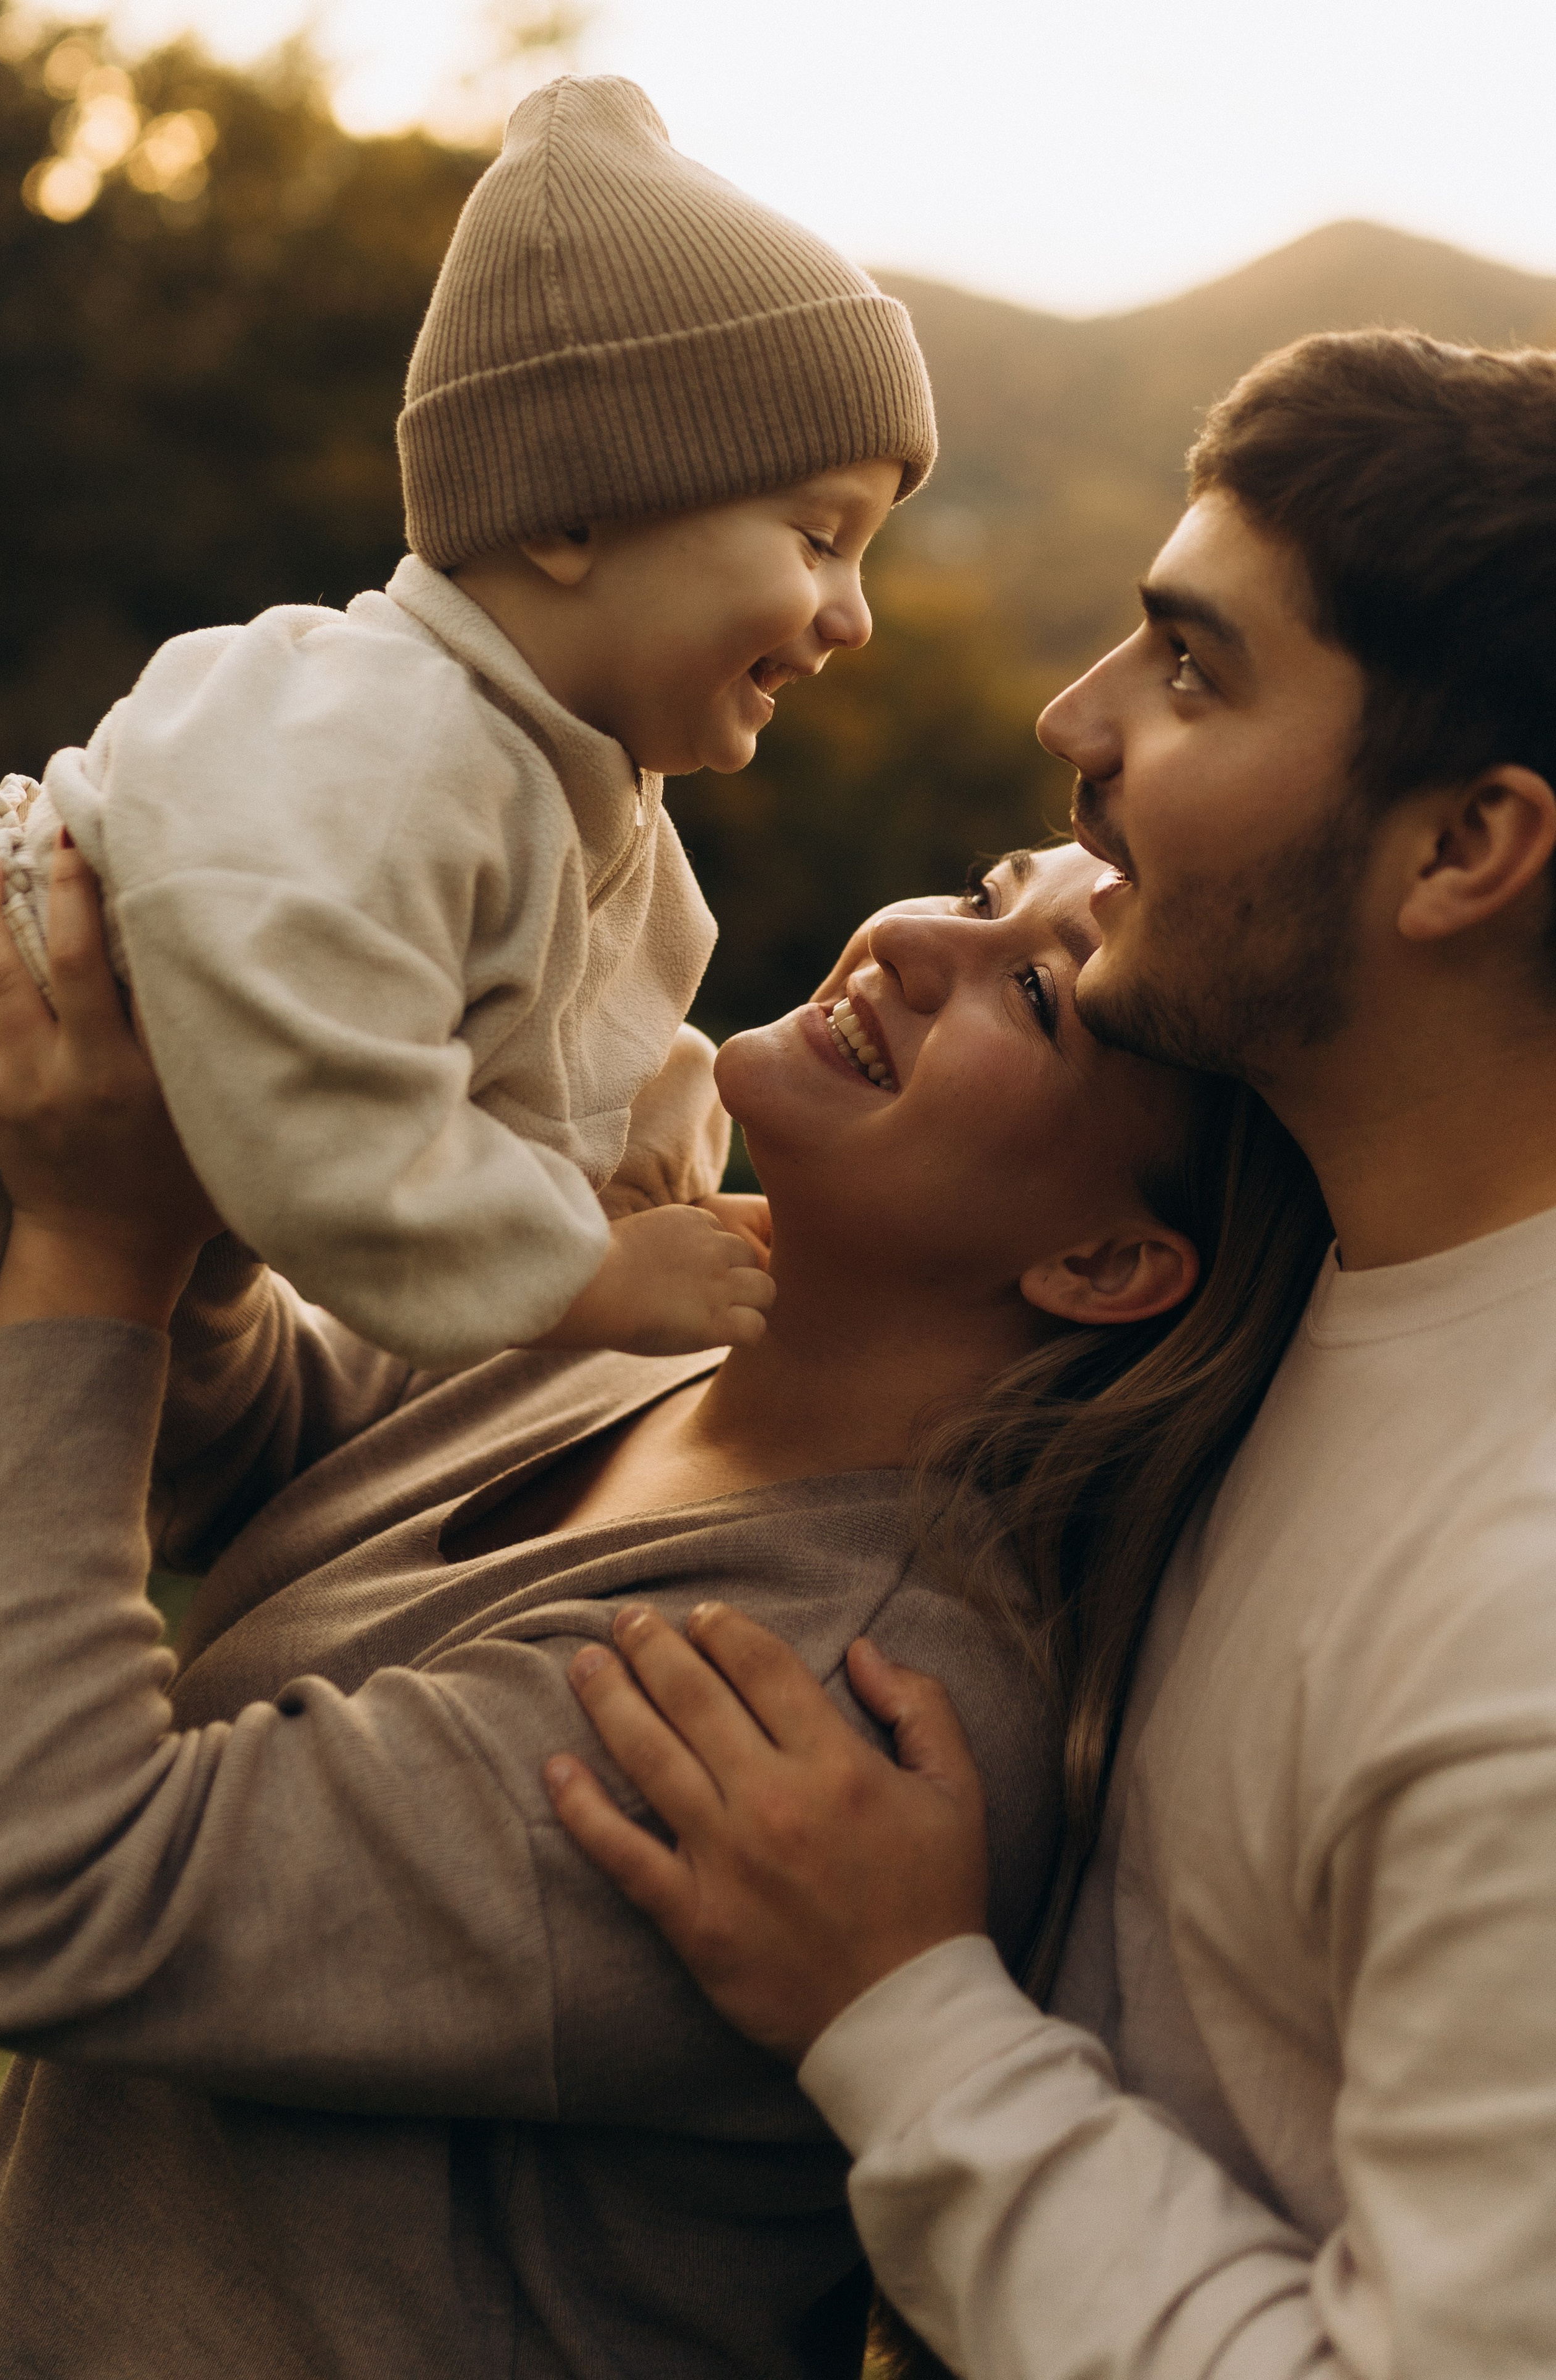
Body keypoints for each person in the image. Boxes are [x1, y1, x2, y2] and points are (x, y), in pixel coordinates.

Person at [0, 835, 1328, 2376]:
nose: (912, 942)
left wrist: (96, 1241)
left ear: (1103, 1263)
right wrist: (186, 1121)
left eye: (1032, 992)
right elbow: (262, 1441)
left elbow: (47, 1882)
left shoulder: (803, 1700)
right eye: (978, 892)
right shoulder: (666, 1324)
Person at [549, 328, 1556, 2379]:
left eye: (1194, 669)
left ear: (1466, 849)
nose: (1070, 718)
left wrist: (907, 2018)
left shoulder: (1519, 1628)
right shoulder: (1291, 1297)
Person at [0, 72, 935, 1362]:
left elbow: (532, 1037)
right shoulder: (383, 735)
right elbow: (313, 1091)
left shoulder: (573, 791)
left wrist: (648, 1139)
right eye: (818, 539)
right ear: (568, 516)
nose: (853, 617)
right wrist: (582, 1273)